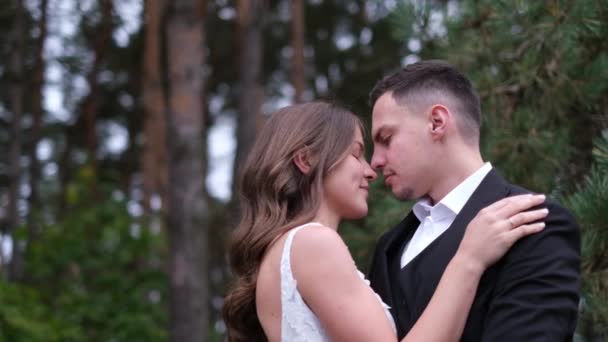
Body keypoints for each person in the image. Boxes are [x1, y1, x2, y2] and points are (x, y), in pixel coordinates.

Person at [222, 101, 549, 342]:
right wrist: (469, 259)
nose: (370, 170)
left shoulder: (282, 253)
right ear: (306, 159)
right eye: (355, 153)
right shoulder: (312, 243)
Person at [367, 60, 580, 341]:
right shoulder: (390, 247)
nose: (375, 162)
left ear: (437, 123)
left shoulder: (535, 223)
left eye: (386, 138)